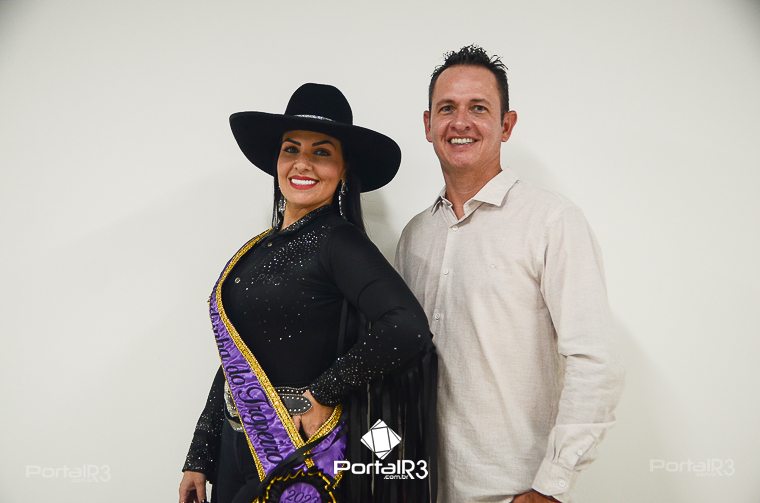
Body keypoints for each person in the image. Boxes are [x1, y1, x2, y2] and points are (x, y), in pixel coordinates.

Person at [179, 83, 437, 503]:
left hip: (295, 452)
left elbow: (407, 327)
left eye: (321, 152)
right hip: (232, 449)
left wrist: (323, 392)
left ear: (344, 169)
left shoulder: (339, 242)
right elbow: (234, 360)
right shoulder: (255, 249)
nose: (302, 163)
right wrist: (200, 456)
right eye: (291, 149)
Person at [395, 45, 624, 503]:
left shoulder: (551, 221)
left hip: (513, 492)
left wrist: (551, 486)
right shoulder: (414, 235)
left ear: (506, 125)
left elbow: (595, 360)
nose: (461, 122)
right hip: (421, 489)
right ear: (428, 124)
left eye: (478, 108)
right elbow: (396, 371)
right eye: (447, 108)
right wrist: (378, 462)